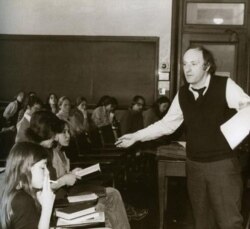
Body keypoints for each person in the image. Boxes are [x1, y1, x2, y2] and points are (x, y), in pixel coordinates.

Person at [116, 45, 250, 229]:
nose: (187, 69)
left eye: (194, 64)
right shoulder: (183, 94)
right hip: (194, 166)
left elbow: (248, 109)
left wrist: (232, 137)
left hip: (222, 166)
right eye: (185, 64)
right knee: (201, 223)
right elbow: (167, 125)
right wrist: (136, 136)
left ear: (207, 66)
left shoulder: (225, 85)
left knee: (229, 223)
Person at [26, 110, 131, 229]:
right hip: (58, 205)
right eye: (54, 134)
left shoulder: (44, 151)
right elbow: (37, 189)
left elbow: (51, 182)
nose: (55, 138)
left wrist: (68, 175)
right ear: (46, 132)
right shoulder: (33, 155)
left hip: (61, 198)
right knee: (103, 211)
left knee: (110, 197)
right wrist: (63, 180)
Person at [0, 142, 55, 229]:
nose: (47, 172)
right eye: (42, 167)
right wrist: (47, 209)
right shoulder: (22, 200)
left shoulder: (16, 193)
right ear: (25, 169)